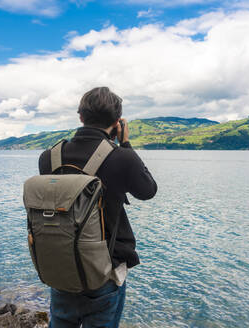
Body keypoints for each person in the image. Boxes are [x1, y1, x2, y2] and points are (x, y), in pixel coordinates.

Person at [38, 87, 158, 328]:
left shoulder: (49, 157)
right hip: (104, 270)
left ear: (80, 117)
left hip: (61, 266)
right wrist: (125, 144)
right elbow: (148, 191)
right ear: (117, 122)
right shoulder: (122, 157)